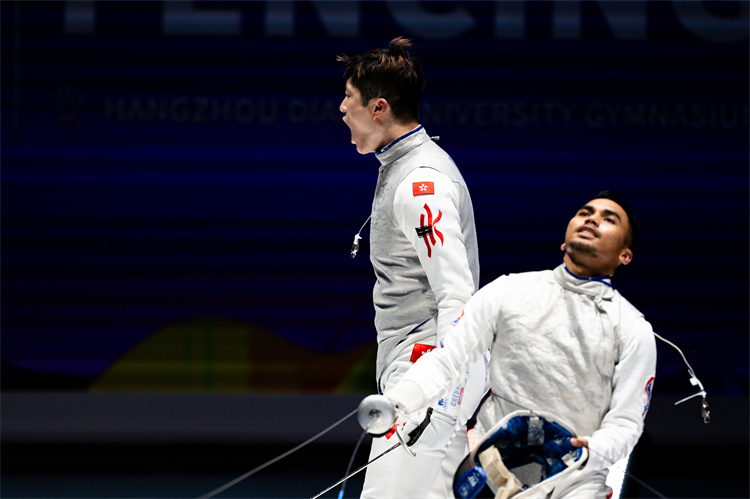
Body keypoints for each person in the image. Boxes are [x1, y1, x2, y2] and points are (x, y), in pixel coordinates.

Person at [384, 191, 658, 498]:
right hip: (494, 475)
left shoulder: (633, 329)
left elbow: (626, 422)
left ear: (625, 255)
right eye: (585, 213)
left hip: (576, 484)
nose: (592, 220)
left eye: (609, 220)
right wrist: (398, 402)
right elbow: (448, 360)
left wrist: (593, 450)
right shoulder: (508, 291)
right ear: (564, 240)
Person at [338, 37, 488, 497]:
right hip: (432, 372)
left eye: (349, 97)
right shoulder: (403, 167)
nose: (342, 108)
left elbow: (457, 296)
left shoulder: (421, 183)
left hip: (428, 371)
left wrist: (433, 385)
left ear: (378, 107)